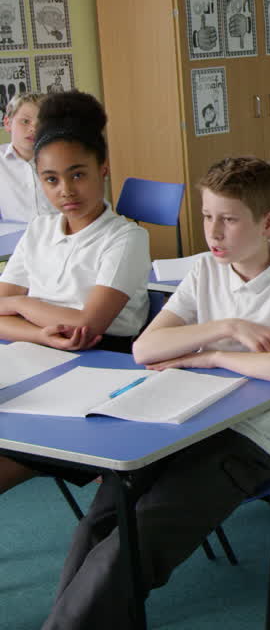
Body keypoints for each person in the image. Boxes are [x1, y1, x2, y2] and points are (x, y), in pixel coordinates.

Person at [41, 156, 270, 629]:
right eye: (207, 216)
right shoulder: (205, 271)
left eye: (229, 220)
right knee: (99, 525)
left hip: (245, 442)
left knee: (134, 542)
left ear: (269, 222)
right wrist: (227, 327)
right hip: (181, 424)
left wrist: (210, 355)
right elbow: (145, 347)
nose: (214, 232)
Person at [0, 91, 150, 497]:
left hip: (101, 368)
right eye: (51, 179)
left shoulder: (127, 238)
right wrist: (37, 331)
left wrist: (17, 306)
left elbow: (86, 325)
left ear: (103, 169)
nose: (65, 189)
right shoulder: (39, 231)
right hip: (37, 356)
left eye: (77, 174)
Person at [0, 92, 55, 221]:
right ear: (8, 123)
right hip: (16, 237)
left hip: (60, 234)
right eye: (25, 121)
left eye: (41, 123)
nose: (33, 129)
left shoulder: (61, 159)